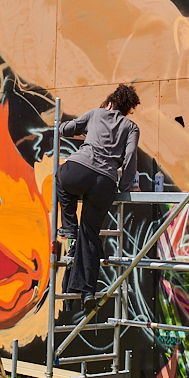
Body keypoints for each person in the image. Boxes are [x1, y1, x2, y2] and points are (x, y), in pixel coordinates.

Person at [57, 84, 141, 311]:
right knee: (91, 235)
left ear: (110, 103)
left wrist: (65, 127)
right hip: (105, 182)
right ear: (126, 109)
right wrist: (122, 187)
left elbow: (66, 128)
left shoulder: (96, 113)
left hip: (79, 170)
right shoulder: (131, 127)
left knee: (60, 176)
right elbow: (130, 156)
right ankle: (87, 292)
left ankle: (68, 227)